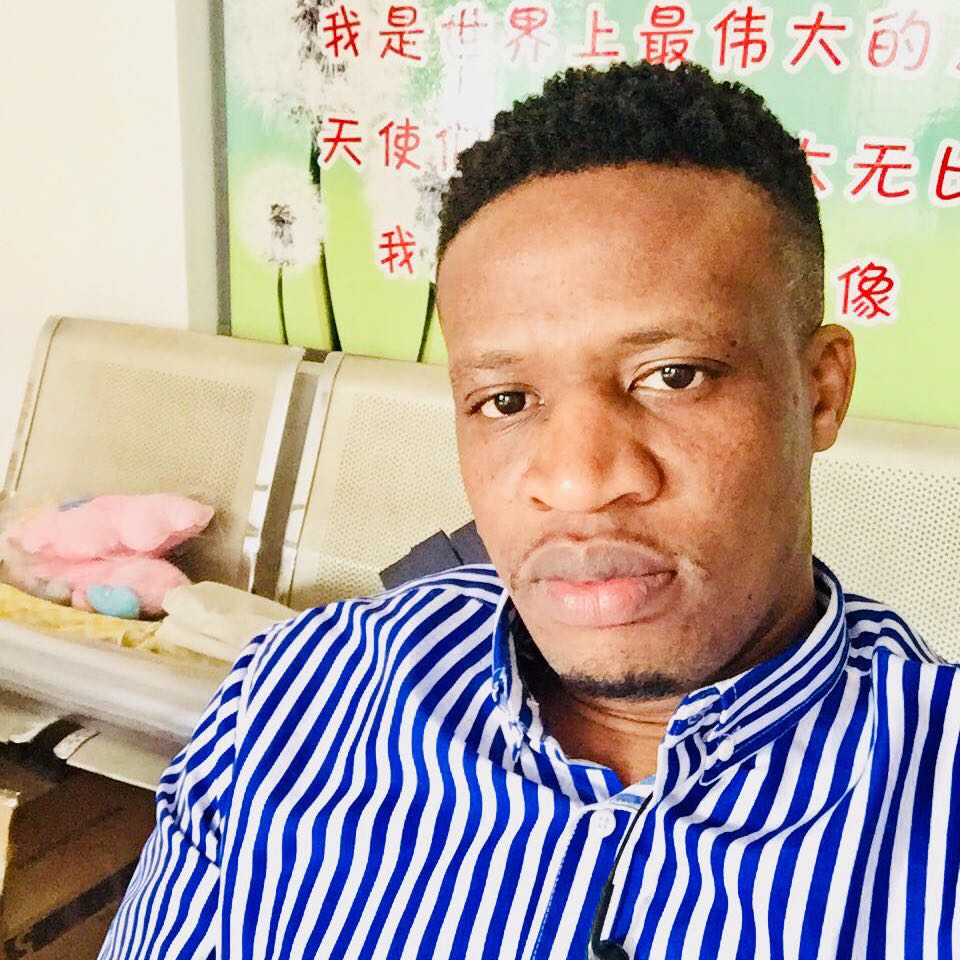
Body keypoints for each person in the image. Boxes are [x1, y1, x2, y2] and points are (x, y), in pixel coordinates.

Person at [99, 60, 959, 960]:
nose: (579, 482)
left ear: (821, 391)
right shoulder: (298, 698)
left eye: (673, 376)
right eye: (506, 400)